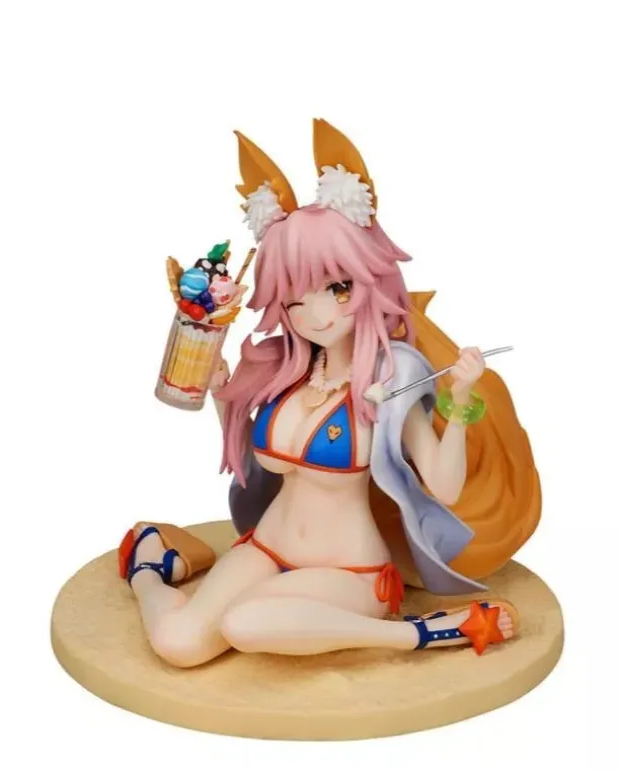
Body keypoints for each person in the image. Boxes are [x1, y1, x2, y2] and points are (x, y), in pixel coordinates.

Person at [117, 120, 539, 667]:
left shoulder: (390, 377)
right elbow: (250, 459)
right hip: (266, 548)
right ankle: (150, 565)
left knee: (244, 623)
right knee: (178, 644)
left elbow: (444, 485)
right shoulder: (283, 369)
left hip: (349, 571)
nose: (316, 312)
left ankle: (427, 631)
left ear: (368, 279)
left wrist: (458, 403)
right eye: (295, 294)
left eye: (337, 288)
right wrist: (223, 393)